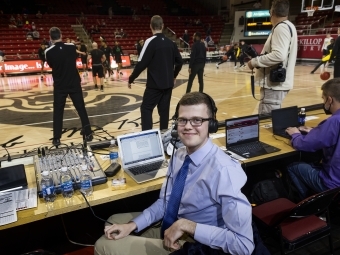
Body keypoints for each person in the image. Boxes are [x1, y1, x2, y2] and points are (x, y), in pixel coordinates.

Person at [94, 92, 254, 255]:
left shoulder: (224, 170)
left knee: (103, 245)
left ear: (211, 124)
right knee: (113, 221)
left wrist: (187, 225)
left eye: (197, 120)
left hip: (198, 244)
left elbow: (244, 245)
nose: (188, 126)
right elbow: (166, 202)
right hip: (175, 224)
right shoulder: (179, 155)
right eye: (183, 120)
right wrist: (132, 225)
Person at [286, 78, 340, 200]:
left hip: (333, 185)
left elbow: (303, 145)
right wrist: (317, 132)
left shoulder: (334, 121)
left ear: (329, 99)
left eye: (323, 98)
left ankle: (310, 206)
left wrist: (295, 134)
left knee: (293, 167)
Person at [128, 15, 183, 131]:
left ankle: (148, 137)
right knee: (164, 112)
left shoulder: (150, 42)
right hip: (168, 85)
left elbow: (141, 64)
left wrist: (131, 78)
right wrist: (174, 75)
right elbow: (180, 62)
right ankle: (164, 137)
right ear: (162, 26)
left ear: (150, 27)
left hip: (154, 86)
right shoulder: (171, 43)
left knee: (146, 109)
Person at [247, 0, 297, 115]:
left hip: (274, 85)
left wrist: (254, 62)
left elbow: (279, 55)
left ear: (272, 12)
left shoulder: (281, 28)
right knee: (270, 117)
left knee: (267, 121)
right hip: (277, 83)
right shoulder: (289, 26)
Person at [45, 27, 92, 146]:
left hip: (60, 85)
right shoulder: (71, 47)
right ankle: (88, 132)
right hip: (74, 83)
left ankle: (56, 138)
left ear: (50, 37)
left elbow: (51, 65)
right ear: (61, 34)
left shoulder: (48, 52)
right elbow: (73, 59)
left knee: (58, 111)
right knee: (81, 108)